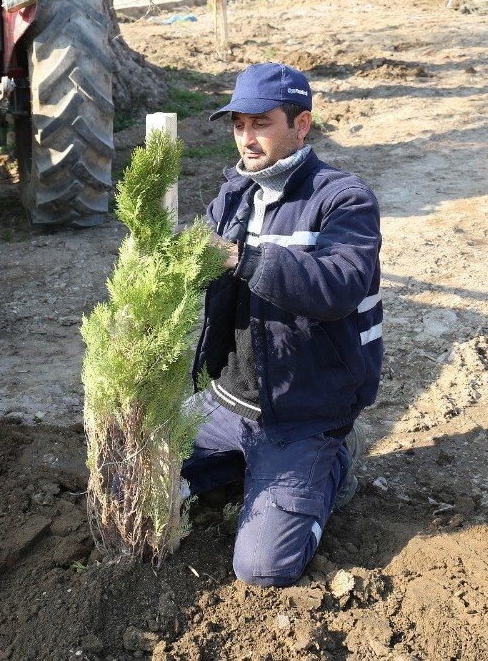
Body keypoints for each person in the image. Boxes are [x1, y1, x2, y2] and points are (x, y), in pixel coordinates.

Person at [181, 62, 383, 587]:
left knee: (263, 568)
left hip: (302, 414)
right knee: (124, 477)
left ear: (302, 125)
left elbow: (338, 285)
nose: (247, 139)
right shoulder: (233, 196)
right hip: (227, 403)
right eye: (238, 125)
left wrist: (239, 258)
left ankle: (332, 467)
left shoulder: (343, 199)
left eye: (261, 123)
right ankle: (243, 468)